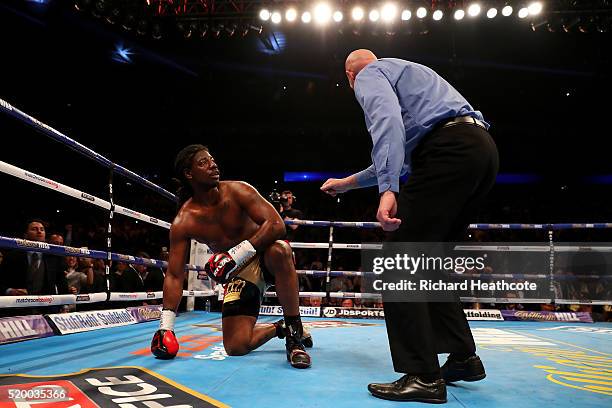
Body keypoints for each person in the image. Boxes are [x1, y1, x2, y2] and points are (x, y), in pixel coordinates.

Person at [321, 50, 498, 403]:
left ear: (349, 76)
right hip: (480, 151)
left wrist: (388, 190)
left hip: (448, 152)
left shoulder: (370, 75)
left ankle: (423, 375)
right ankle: (463, 358)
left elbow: (388, 124)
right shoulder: (409, 75)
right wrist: (347, 183)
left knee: (400, 259)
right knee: (429, 263)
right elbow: (397, 152)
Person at [151, 144, 312, 368]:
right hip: (240, 273)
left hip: (265, 255)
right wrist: (166, 326)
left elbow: (276, 225)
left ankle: (295, 339)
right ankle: (281, 328)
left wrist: (235, 255)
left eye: (212, 159)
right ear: (189, 174)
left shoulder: (238, 191)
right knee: (236, 346)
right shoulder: (184, 220)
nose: (213, 164)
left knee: (280, 250)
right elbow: (175, 275)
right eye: (203, 162)